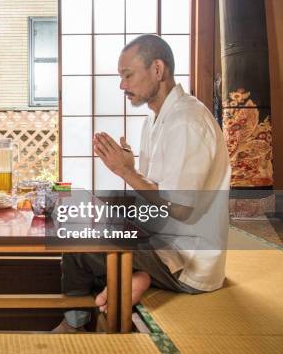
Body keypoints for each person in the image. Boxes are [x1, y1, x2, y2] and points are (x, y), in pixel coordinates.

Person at [54, 34, 231, 332]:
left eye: (128, 75)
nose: (122, 85)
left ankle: (78, 322)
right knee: (83, 225)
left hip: (186, 260)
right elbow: (156, 190)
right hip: (161, 240)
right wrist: (133, 169)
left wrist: (126, 172)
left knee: (77, 245)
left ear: (158, 70)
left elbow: (181, 208)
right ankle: (132, 279)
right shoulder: (157, 119)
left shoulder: (187, 121)